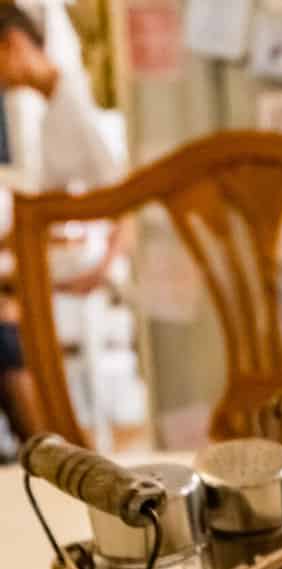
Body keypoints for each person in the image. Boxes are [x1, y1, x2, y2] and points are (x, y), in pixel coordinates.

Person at [0, 2, 128, 442]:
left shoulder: (74, 103)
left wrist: (103, 265)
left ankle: (43, 438)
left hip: (90, 260)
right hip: (59, 249)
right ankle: (39, 436)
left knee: (5, 308)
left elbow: (125, 197)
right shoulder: (50, 109)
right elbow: (46, 204)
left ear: (14, 46)